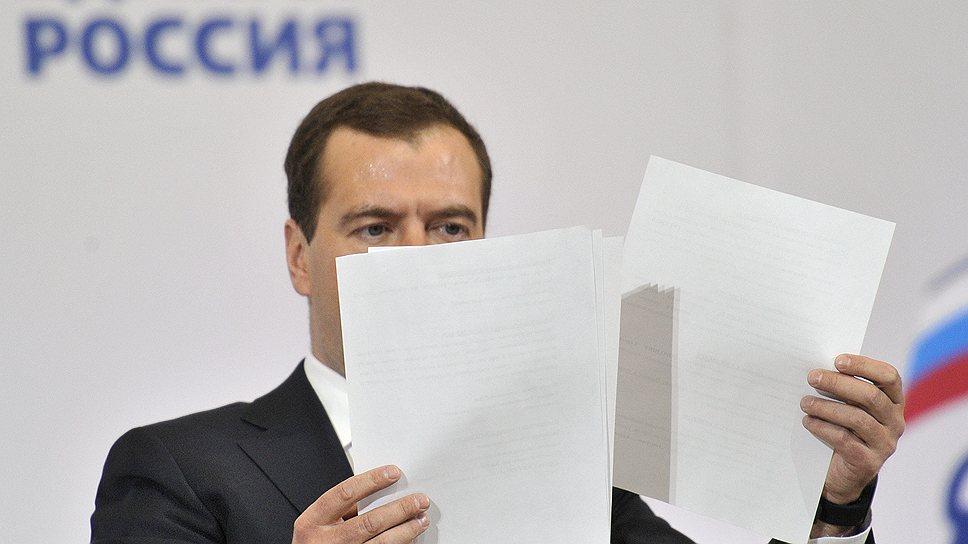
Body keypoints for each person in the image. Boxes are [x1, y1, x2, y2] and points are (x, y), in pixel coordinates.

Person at [90, 82, 905, 544]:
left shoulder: (576, 473)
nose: (419, 256)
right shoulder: (179, 470)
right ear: (300, 255)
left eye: (451, 227)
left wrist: (833, 506)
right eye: (375, 228)